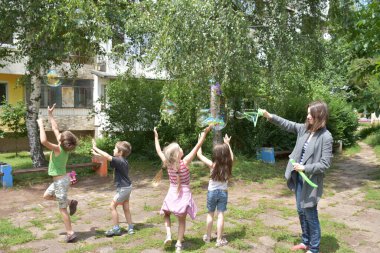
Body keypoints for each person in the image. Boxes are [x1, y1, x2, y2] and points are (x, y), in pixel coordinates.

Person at [261, 101, 333, 253]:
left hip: (311, 179)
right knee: (301, 211)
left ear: (319, 116)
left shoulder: (326, 137)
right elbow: (287, 124)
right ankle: (305, 241)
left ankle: (314, 249)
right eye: (307, 113)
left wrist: (305, 168)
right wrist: (270, 116)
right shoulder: (304, 129)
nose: (307, 116)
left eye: (310, 114)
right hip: (298, 178)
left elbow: (325, 164)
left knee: (310, 212)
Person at [154, 126, 212, 253]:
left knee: (166, 214)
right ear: (177, 154)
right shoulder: (185, 162)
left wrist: (156, 137)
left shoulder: (167, 163)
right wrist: (205, 133)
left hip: (172, 192)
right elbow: (198, 146)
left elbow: (159, 151)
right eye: (180, 148)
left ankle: (168, 235)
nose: (182, 149)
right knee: (181, 221)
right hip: (184, 193)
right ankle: (179, 244)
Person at [37, 104, 79, 243]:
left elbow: (43, 141)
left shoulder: (58, 149)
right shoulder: (64, 148)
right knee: (47, 196)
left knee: (62, 209)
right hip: (60, 180)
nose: (58, 134)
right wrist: (50, 115)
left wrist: (41, 125)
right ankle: (70, 202)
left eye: (60, 135)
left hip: (60, 182)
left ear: (61, 140)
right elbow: (55, 128)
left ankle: (70, 233)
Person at [196, 134, 233, 247]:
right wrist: (227, 144)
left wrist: (200, 141)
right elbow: (231, 156)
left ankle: (207, 237)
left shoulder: (212, 165)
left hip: (211, 193)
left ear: (215, 155)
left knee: (210, 214)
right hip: (223, 193)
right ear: (226, 155)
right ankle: (219, 240)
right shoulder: (229, 165)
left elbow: (199, 154)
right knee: (220, 214)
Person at [92, 139, 134, 236]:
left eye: (115, 149)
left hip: (123, 189)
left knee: (112, 206)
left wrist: (95, 148)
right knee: (126, 208)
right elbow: (107, 158)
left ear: (120, 152)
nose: (113, 150)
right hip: (127, 187)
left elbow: (107, 156)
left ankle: (116, 229)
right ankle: (130, 227)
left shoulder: (119, 161)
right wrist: (96, 153)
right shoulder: (123, 161)